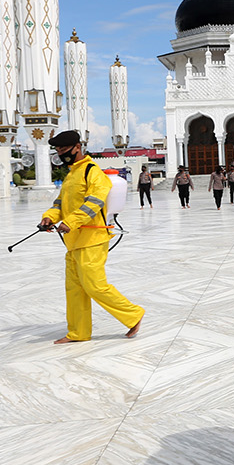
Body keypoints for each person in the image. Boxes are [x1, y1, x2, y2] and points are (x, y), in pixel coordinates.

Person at [39, 130, 145, 344]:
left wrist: (71, 222)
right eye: (58, 150)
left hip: (92, 238)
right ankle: (78, 333)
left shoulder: (91, 171)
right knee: (75, 289)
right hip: (73, 241)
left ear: (77, 147)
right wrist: (49, 218)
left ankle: (133, 314)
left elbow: (95, 202)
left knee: (94, 285)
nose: (61, 153)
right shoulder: (71, 174)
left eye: (64, 149)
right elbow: (60, 203)